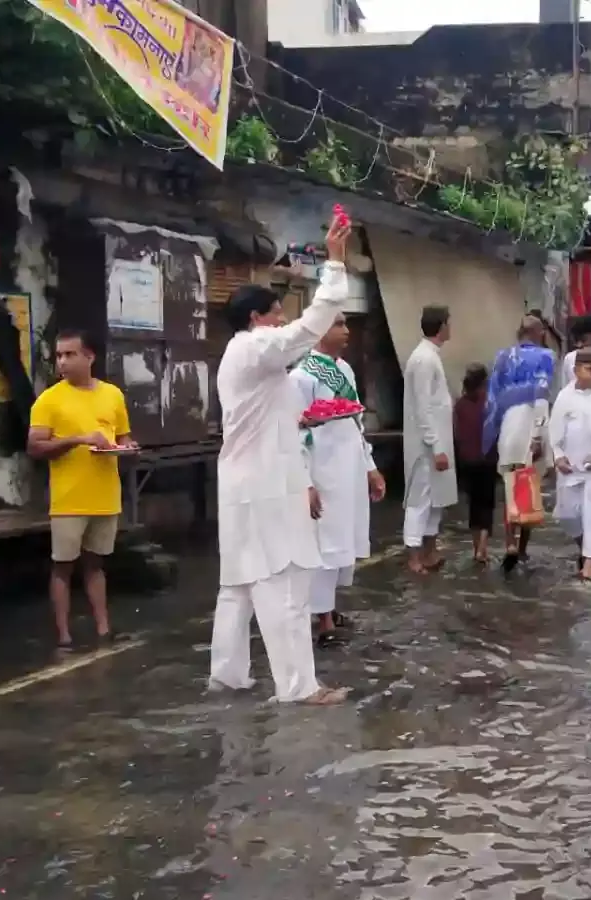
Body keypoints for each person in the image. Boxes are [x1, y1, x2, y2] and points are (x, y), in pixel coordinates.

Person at [209, 216, 351, 706]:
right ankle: (298, 688)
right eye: (275, 314)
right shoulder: (255, 346)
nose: (280, 322)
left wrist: (305, 421)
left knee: (239, 587)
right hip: (265, 487)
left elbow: (276, 412)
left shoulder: (246, 359)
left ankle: (228, 677)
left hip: (248, 485)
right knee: (283, 586)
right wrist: (335, 265)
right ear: (257, 318)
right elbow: (308, 328)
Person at [26, 330, 136, 651]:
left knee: (96, 564)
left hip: (105, 495)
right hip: (68, 500)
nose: (62, 362)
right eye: (59, 355)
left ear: (89, 357)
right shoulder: (49, 400)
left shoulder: (112, 395)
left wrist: (128, 447)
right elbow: (34, 447)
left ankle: (103, 628)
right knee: (63, 566)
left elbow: (124, 436)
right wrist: (78, 439)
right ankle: (64, 635)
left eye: (69, 354)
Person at [290, 312, 386, 645]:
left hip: (349, 470)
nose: (346, 331)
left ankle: (329, 607)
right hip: (322, 472)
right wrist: (305, 483)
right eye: (338, 324)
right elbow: (295, 434)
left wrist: (370, 467)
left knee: (343, 539)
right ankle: (323, 621)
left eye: (345, 324)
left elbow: (356, 424)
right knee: (324, 543)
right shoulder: (301, 376)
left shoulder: (345, 370)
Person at [485, 314, 556, 572]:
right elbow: (541, 396)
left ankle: (509, 544)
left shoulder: (502, 357)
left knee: (510, 488)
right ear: (539, 332)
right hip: (530, 427)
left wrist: (491, 433)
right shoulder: (546, 357)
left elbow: (492, 399)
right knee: (529, 489)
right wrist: (538, 435)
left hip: (508, 429)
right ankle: (522, 547)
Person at [402, 305, 457, 575]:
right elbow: (422, 407)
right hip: (426, 446)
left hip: (438, 443)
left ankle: (430, 552)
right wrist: (435, 445)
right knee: (420, 499)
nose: (451, 327)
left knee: (437, 497)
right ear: (441, 326)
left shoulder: (431, 355)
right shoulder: (424, 359)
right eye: (448, 322)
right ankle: (414, 557)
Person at [549, 348, 591, 580]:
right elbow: (554, 431)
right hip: (569, 468)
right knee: (567, 516)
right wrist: (558, 456)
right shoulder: (565, 397)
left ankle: (589, 567)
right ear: (576, 371)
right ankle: (586, 548)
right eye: (590, 369)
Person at [453, 364, 498, 564]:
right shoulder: (490, 402)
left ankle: (475, 547)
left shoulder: (459, 405)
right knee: (487, 503)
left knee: (473, 504)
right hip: (487, 459)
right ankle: (482, 549)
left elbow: (457, 433)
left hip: (467, 460)